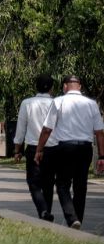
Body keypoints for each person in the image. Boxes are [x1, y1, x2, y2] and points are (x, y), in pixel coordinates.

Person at [35, 75, 104, 230]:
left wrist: (39, 149)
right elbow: (99, 132)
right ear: (79, 86)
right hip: (85, 148)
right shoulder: (91, 104)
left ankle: (72, 218)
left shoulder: (58, 101)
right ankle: (77, 218)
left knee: (62, 184)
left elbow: (47, 129)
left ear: (65, 86)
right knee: (81, 186)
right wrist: (102, 156)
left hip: (65, 148)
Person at [13, 74, 58, 221]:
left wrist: (17, 150)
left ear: (35, 87)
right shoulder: (57, 103)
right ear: (52, 88)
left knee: (34, 182)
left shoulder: (27, 103)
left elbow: (21, 128)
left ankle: (43, 210)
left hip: (33, 148)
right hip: (53, 148)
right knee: (49, 183)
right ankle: (47, 211)